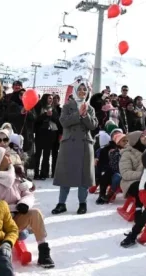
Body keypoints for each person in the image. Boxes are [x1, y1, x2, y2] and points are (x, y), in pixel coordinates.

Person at [0, 147, 54, 268]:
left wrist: (24, 203)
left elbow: (28, 194)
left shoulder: (15, 175)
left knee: (35, 213)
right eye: (5, 155)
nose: (9, 157)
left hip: (15, 219)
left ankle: (43, 251)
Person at [53, 80, 98, 215]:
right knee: (65, 175)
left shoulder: (90, 108)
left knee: (83, 177)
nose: (82, 92)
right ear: (75, 91)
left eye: (85, 90)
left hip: (85, 144)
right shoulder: (67, 106)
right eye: (80, 89)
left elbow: (93, 126)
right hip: (69, 144)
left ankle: (82, 204)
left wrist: (85, 115)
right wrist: (78, 114)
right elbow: (64, 122)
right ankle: (61, 203)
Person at [34, 94, 61, 180]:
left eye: (52, 98)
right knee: (38, 154)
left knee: (46, 155)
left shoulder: (53, 108)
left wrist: (51, 115)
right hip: (40, 133)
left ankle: (43, 173)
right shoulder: (39, 107)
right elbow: (36, 119)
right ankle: (36, 173)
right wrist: (45, 115)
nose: (51, 100)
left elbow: (57, 120)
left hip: (50, 134)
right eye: (49, 98)